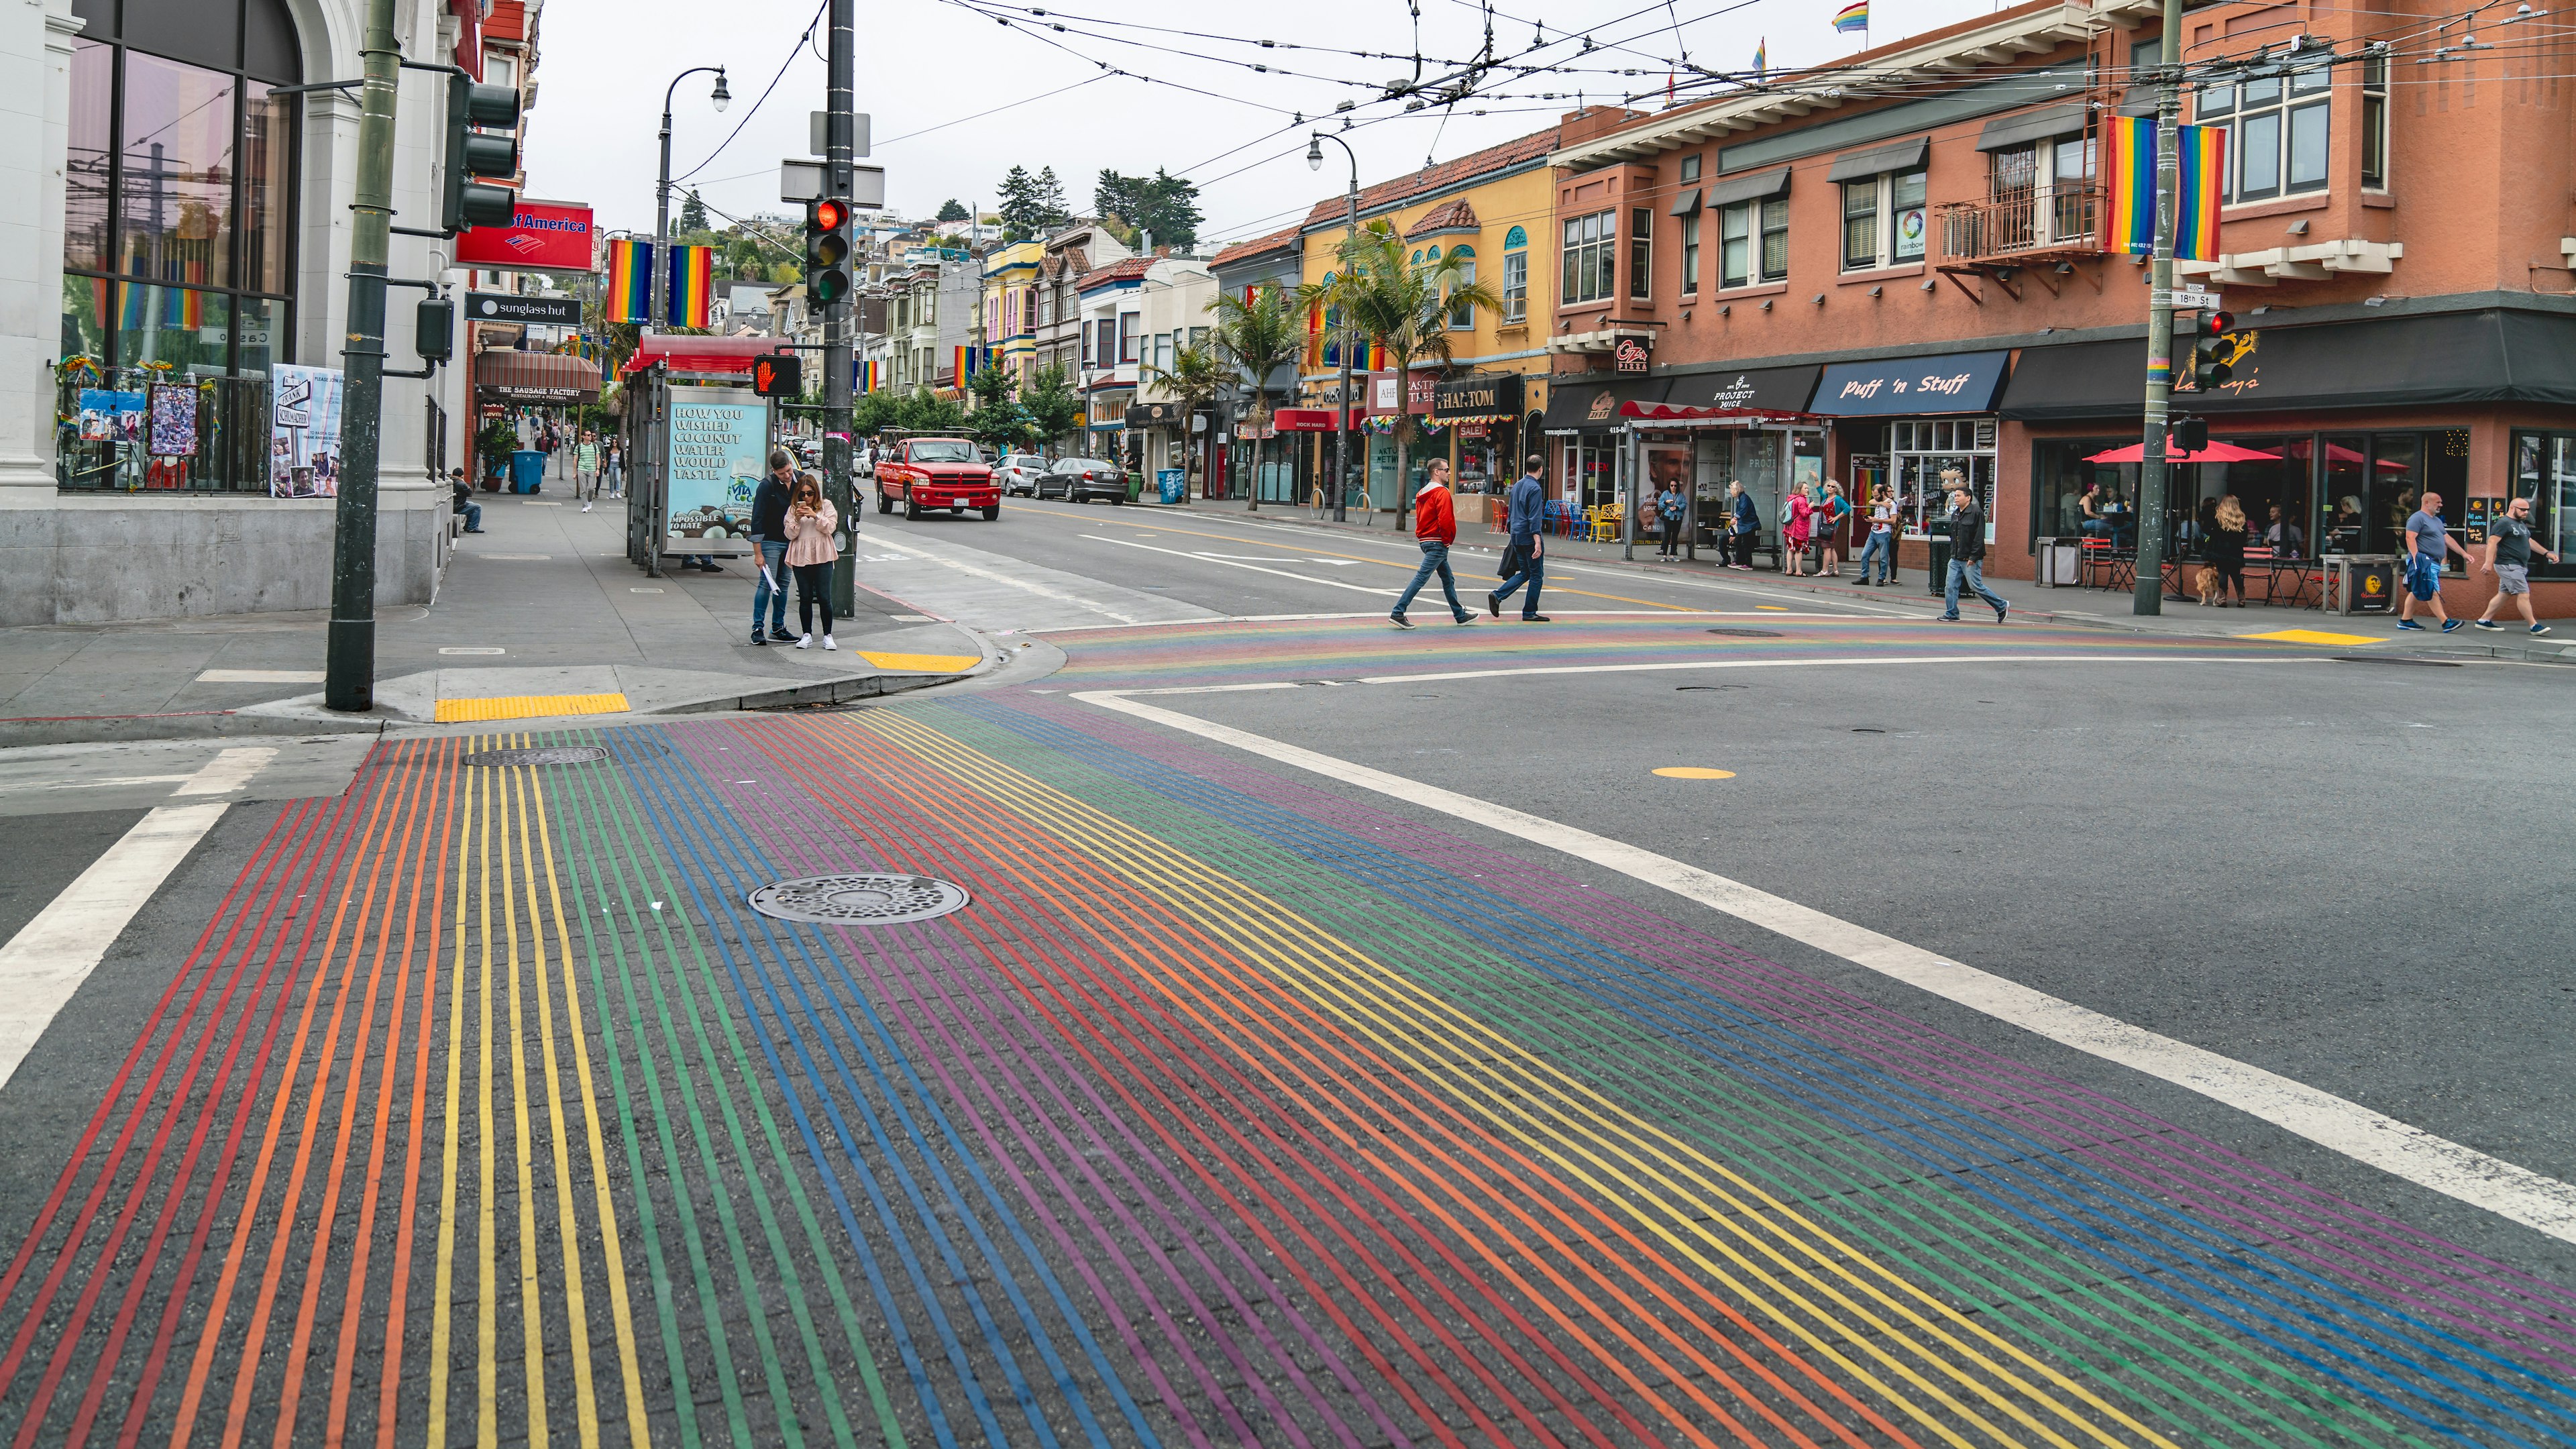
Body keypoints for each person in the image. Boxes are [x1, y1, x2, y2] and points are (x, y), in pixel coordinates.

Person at [1391, 458, 1477, 629]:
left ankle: (1459, 614)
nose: (1449, 473)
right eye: (1446, 470)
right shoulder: (1442, 493)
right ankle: (1398, 612)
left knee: (1448, 578)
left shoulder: (1422, 492)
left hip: (1426, 540)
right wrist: (1448, 540)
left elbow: (1421, 517)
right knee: (1422, 577)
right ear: (1436, 472)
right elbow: (1445, 521)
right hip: (1437, 541)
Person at [2473, 494, 2559, 634]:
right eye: (2523, 510)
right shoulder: (2504, 523)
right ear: (2512, 508)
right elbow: (2492, 542)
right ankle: (2534, 626)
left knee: (2504, 594)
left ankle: (2484, 620)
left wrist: (2546, 553)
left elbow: (2529, 542)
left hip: (2518, 565)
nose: (2526, 512)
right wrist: (2488, 563)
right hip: (2509, 565)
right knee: (2524, 594)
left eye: (2527, 510)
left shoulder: (2521, 524)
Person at [2397, 490, 2473, 632]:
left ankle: (2405, 620)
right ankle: (2446, 622)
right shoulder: (2417, 518)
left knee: (2417, 590)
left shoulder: (2436, 521)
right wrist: (2416, 559)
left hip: (2433, 562)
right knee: (2431, 590)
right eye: (2438, 502)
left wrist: (2463, 553)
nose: (2441, 505)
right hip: (2424, 561)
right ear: (2427, 503)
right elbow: (2410, 538)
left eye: (2441, 502)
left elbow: (2447, 539)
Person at [1487, 453, 1550, 622]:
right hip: (1529, 536)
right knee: (1536, 574)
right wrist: (1538, 541)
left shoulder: (1518, 485)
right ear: (1541, 469)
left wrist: (1511, 531)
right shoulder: (1535, 489)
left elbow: (1512, 511)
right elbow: (1534, 517)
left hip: (1516, 534)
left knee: (1525, 572)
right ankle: (1529, 611)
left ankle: (1498, 595)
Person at [782, 472, 841, 649]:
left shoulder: (826, 505)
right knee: (805, 597)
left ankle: (827, 635)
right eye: (802, 494)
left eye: (810, 493)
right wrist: (798, 520)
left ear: (816, 492)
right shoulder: (793, 510)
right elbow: (789, 534)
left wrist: (815, 516)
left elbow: (830, 527)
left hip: (822, 554)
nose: (806, 498)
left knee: (824, 596)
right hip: (801, 555)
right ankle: (806, 634)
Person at [747, 448, 797, 645]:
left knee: (783, 584)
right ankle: (757, 628)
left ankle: (778, 627)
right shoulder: (766, 486)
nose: (787, 476)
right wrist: (758, 553)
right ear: (773, 471)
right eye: (782, 473)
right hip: (771, 541)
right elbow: (756, 519)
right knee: (766, 583)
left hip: (791, 540)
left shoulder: (799, 479)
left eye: (789, 471)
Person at [1940, 484, 2008, 624]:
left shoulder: (1976, 513)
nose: (1956, 498)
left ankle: (2002, 606)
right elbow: (1954, 536)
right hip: (1956, 558)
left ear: (1968, 498)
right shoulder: (1956, 514)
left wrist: (1974, 557)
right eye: (1955, 496)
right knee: (1950, 585)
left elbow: (1979, 537)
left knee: (1975, 586)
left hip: (1970, 558)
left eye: (1959, 496)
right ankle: (1952, 613)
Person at [2204, 494, 2250, 606]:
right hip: (2235, 551)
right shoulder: (2241, 519)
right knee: (2236, 574)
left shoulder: (2218, 517)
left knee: (2223, 573)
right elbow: (2244, 537)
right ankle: (2242, 599)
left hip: (2220, 550)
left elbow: (2208, 530)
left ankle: (2223, 599)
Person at [1857, 491, 1896, 586]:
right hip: (1873, 532)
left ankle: (1881, 578)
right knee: (1865, 554)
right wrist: (1873, 518)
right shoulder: (1878, 502)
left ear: (1883, 493)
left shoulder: (1891, 504)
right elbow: (1871, 502)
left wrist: (1876, 520)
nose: (1875, 497)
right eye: (1873, 495)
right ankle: (1864, 577)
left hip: (1884, 533)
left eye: (1877, 495)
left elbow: (1893, 520)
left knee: (1883, 557)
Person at [1818, 482, 1851, 577]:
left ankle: (1824, 570)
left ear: (1836, 489)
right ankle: (1835, 570)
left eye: (1833, 487)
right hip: (1824, 525)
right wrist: (1816, 478)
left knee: (1827, 548)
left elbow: (1847, 508)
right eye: (1829, 486)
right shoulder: (1826, 497)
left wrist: (1836, 517)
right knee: (1831, 548)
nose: (1830, 488)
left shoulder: (1837, 499)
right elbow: (1819, 489)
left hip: (1830, 526)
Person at [1726, 480, 1760, 570]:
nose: (1730, 492)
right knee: (1738, 542)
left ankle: (1748, 564)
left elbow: (1743, 510)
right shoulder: (1741, 498)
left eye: (1732, 490)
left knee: (1746, 544)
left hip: (1749, 525)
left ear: (1737, 490)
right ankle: (1740, 561)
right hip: (1745, 525)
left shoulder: (1744, 498)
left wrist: (1735, 518)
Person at [1784, 486, 1813, 577]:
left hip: (1789, 528)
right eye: (1805, 488)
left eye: (1808, 488)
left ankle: (1789, 569)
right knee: (1798, 550)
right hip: (1798, 529)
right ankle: (1799, 571)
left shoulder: (1792, 498)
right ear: (1800, 489)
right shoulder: (1801, 500)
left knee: (1790, 549)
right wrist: (1810, 507)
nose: (1807, 490)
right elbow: (1804, 513)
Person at [1654, 478, 1685, 559]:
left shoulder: (1680, 495)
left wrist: (1677, 507)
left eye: (1675, 486)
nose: (1673, 487)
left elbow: (1684, 505)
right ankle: (1664, 554)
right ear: (1669, 486)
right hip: (1668, 516)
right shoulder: (1665, 494)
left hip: (1677, 517)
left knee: (1675, 536)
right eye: (1672, 485)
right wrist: (1666, 502)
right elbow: (1660, 505)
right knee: (1667, 536)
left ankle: (1672, 554)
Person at [449, 468, 483, 534]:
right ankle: (473, 527)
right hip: (458, 506)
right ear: (462, 476)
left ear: (452, 474)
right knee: (477, 507)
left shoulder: (450, 481)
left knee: (471, 504)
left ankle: (468, 526)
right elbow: (469, 493)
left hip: (453, 504)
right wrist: (463, 482)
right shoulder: (461, 484)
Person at [576, 435, 600, 510]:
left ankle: (589, 501)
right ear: (583, 436)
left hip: (592, 469)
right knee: (583, 489)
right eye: (588, 435)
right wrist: (574, 472)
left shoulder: (594, 446)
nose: (590, 436)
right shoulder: (579, 447)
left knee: (591, 489)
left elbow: (598, 458)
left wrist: (598, 469)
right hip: (581, 469)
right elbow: (575, 460)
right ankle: (585, 506)